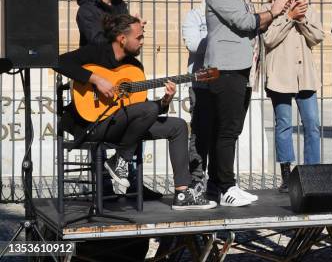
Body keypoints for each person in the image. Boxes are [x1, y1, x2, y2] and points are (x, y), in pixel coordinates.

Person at [56, 14, 216, 210]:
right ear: (122, 39)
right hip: (93, 124)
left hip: (126, 127)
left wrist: (165, 100)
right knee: (147, 109)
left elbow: (142, 107)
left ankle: (182, 194)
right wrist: (96, 80)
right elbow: (59, 62)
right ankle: (120, 160)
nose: (142, 42)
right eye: (139, 37)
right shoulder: (96, 52)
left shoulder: (134, 67)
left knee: (178, 126)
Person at [203, 0, 287, 206]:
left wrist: (270, 16)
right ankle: (226, 186)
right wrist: (271, 12)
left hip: (241, 68)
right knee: (226, 129)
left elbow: (252, 25)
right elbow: (245, 22)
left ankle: (217, 185)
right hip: (225, 68)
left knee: (231, 128)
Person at [75, 0, 159, 199]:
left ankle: (131, 182)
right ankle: (105, 188)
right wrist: (124, 37)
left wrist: (134, 31)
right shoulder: (88, 10)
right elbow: (97, 43)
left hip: (122, 75)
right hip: (96, 82)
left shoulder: (120, 5)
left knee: (141, 113)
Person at [263, 0, 324, 192]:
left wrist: (301, 18)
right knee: (284, 125)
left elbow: (317, 36)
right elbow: (268, 39)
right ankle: (287, 175)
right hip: (281, 76)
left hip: (305, 76)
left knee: (312, 125)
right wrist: (288, 17)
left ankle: (311, 172)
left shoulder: (308, 9)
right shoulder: (270, 10)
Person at [182, 0, 220, 188]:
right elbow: (194, 45)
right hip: (201, 82)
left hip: (225, 81)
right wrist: (221, 38)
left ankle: (218, 179)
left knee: (222, 133)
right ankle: (196, 178)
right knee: (200, 132)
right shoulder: (195, 15)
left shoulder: (230, 13)